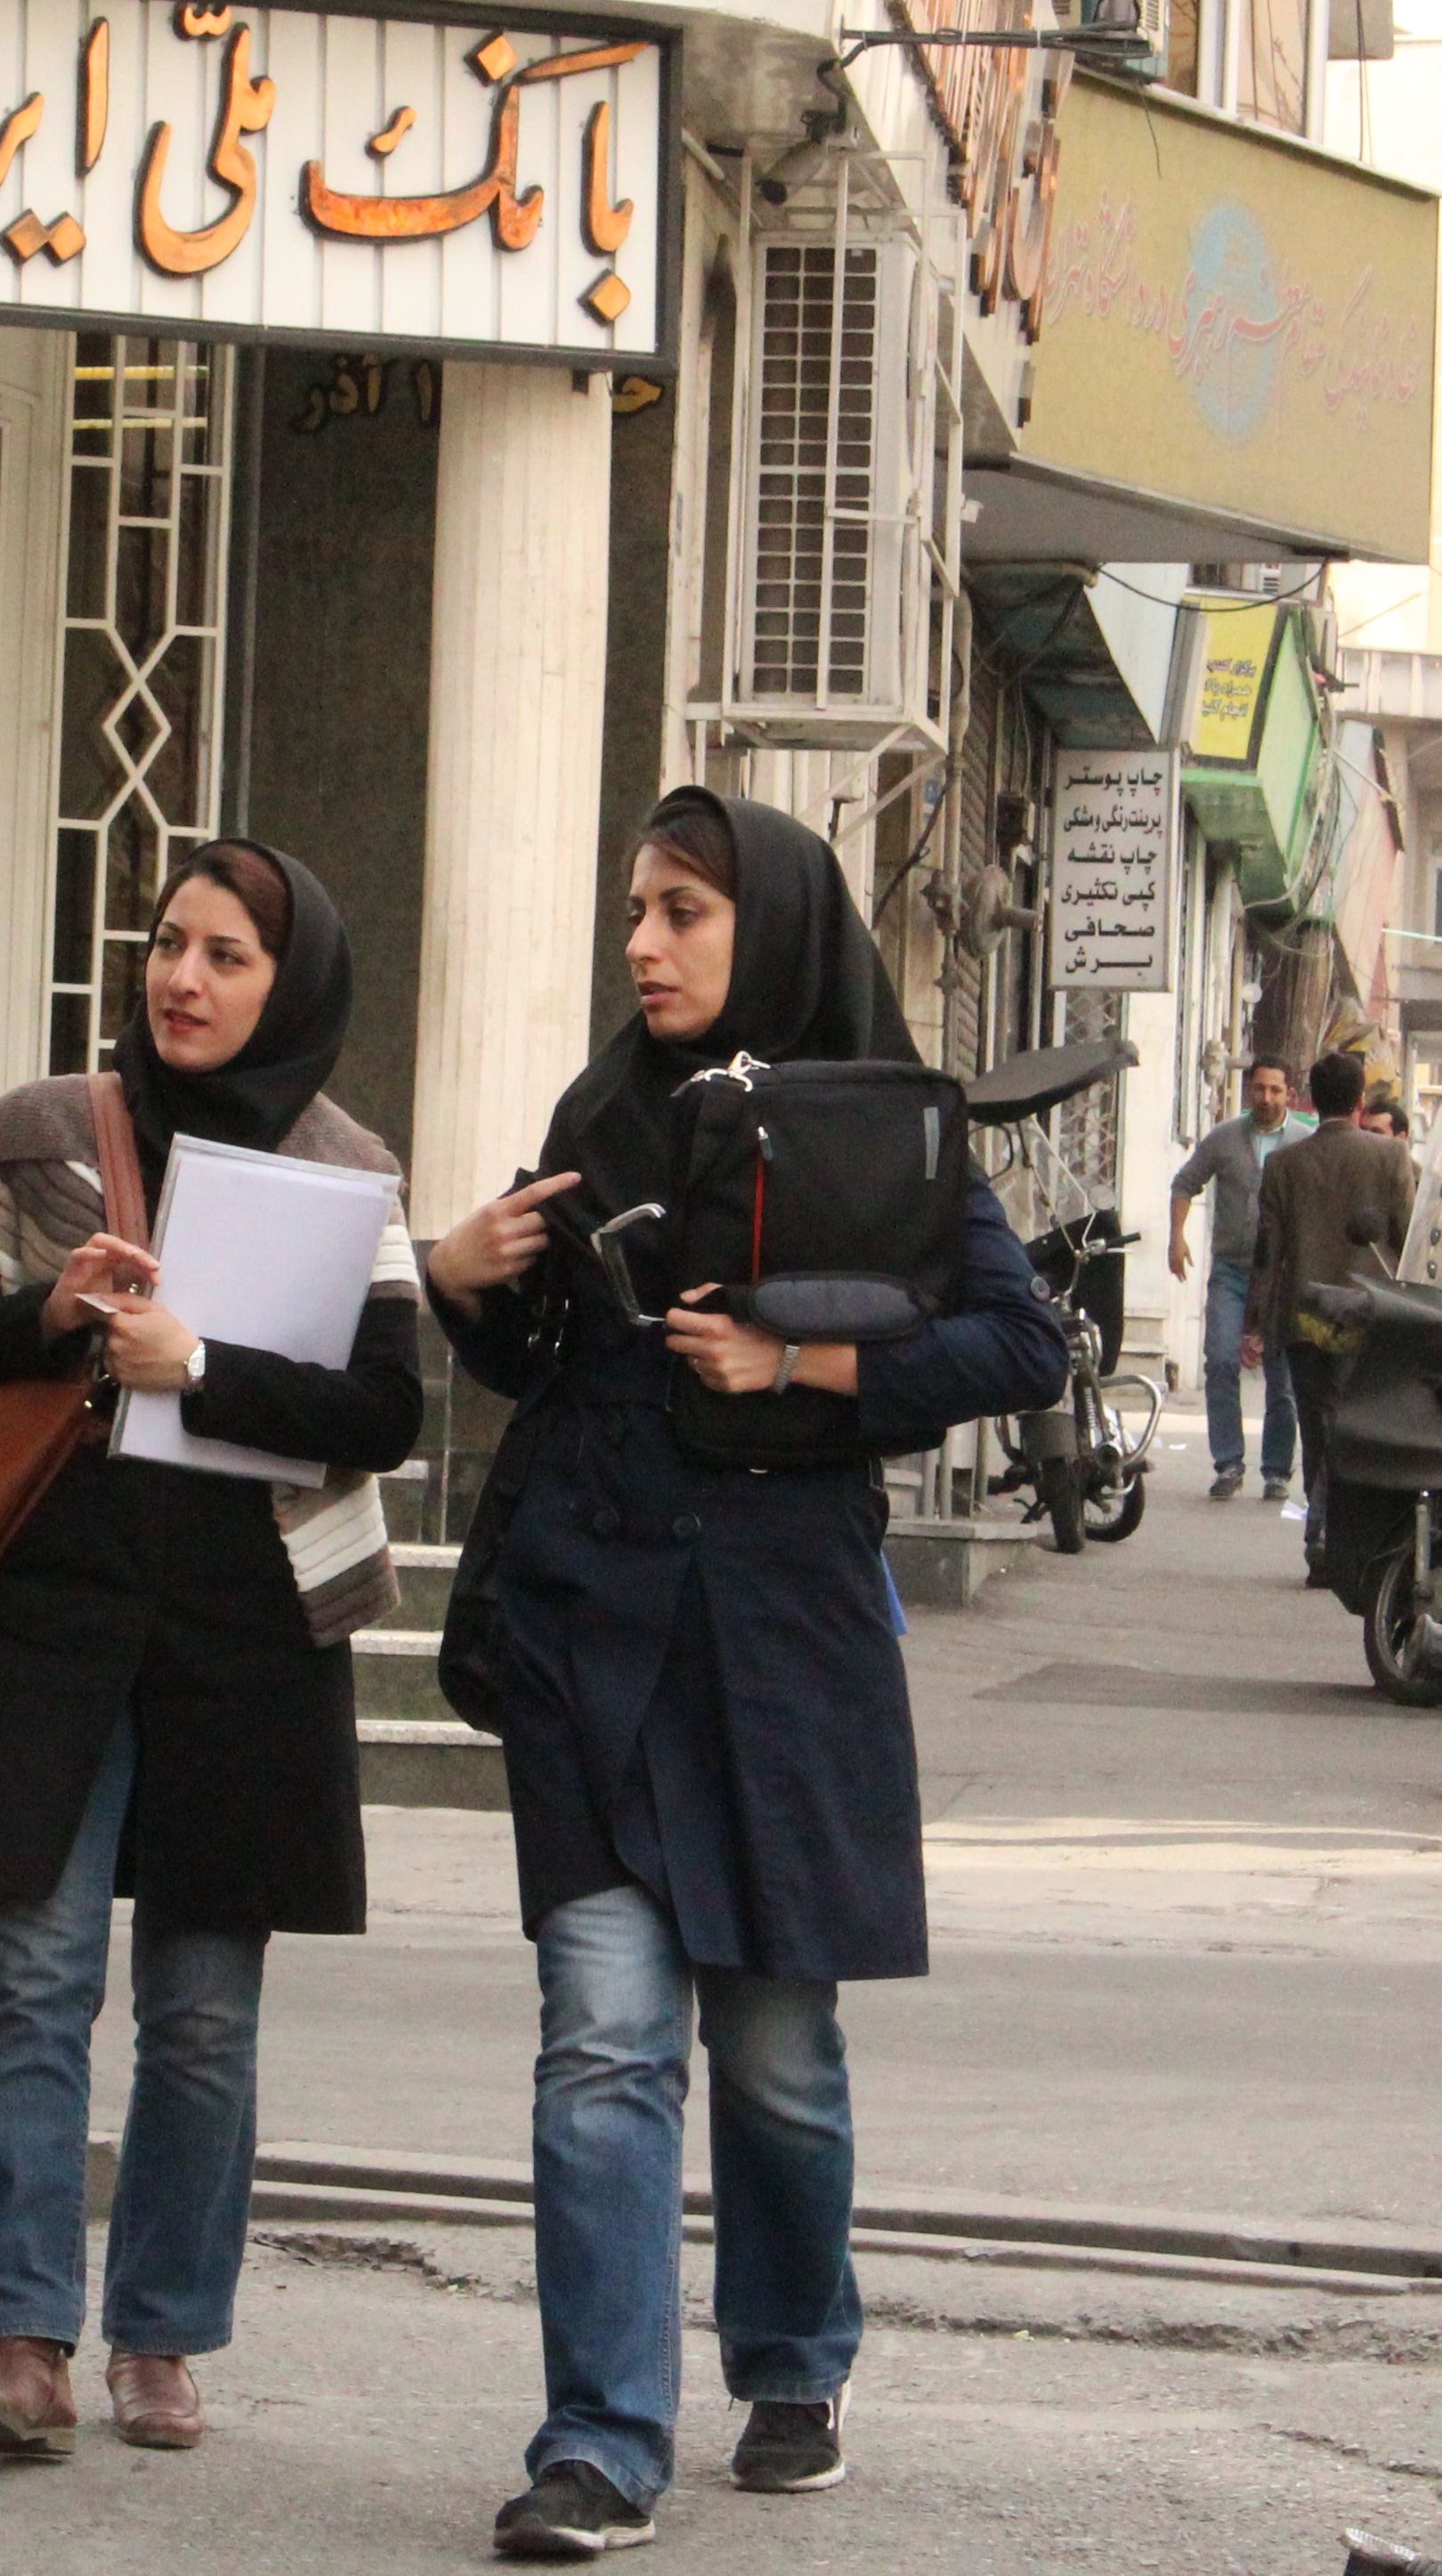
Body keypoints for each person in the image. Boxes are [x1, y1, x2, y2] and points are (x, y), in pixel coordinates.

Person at [426, 788, 1067, 2561]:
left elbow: (1017, 1339)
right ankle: (601, 2438)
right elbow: (545, 1353)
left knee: (776, 2051)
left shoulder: (883, 1121)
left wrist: (805, 1365)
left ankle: (792, 2355)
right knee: (604, 2038)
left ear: (767, 924)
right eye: (636, 905)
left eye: (685, 909)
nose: (643, 940)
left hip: (785, 1640)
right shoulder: (599, 1109)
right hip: (593, 1624)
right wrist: (465, 1280)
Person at [0, 842, 424, 2460]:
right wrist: (54, 1314)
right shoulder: (40, 1131)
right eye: (166, 943)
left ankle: (162, 2337)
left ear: (295, 984)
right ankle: (18, 2342)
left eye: (227, 955)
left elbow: (385, 1412)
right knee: (34, 1975)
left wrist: (199, 1361)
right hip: (55, 1605)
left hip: (246, 1628)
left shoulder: (350, 1171)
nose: (183, 979)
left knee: (203, 2006)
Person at [1246, 1049, 1416, 1582]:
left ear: (1310, 1102)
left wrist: (1254, 1325)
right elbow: (1409, 1241)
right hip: (1369, 1320)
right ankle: (1343, 1540)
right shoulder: (1391, 1159)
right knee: (1359, 1428)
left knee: (1316, 1428)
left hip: (1305, 1320)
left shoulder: (1283, 1164)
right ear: (1361, 1103)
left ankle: (1320, 1542)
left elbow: (1266, 1253)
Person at [1169, 1060, 1309, 1503]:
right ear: (1249, 1090)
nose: (1266, 1098)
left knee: (1282, 1376)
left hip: (1284, 1274)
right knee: (1221, 1361)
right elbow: (1184, 1183)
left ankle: (1276, 1471)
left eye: (1275, 1090)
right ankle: (1228, 1462)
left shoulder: (1304, 1143)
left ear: (1290, 1094)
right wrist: (1177, 1238)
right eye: (1259, 1089)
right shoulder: (1225, 1138)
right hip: (1231, 1270)